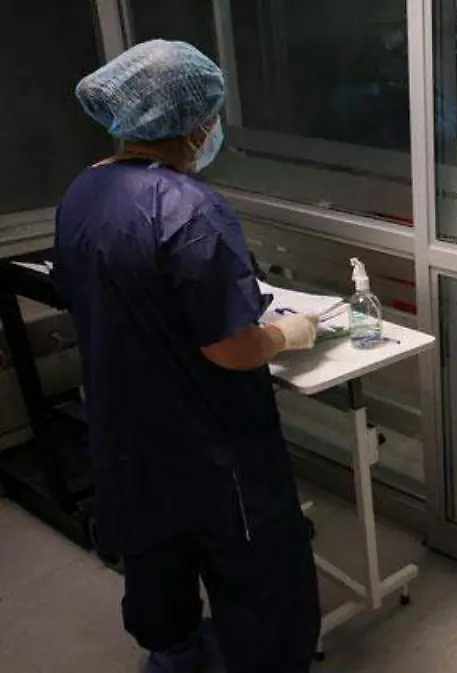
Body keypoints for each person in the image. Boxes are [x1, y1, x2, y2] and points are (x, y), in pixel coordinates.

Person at [55, 40, 321, 673]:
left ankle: (173, 656)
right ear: (194, 124)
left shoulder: (84, 191)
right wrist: (288, 334)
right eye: (213, 115)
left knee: (156, 559)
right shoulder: (190, 209)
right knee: (261, 574)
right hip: (210, 447)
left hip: (127, 430)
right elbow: (231, 347)